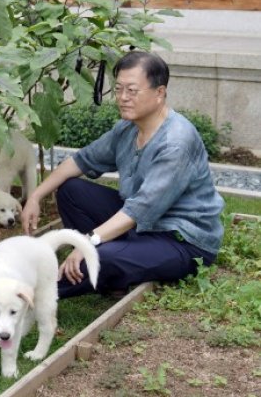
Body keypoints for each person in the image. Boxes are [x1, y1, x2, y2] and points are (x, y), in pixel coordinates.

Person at [20, 50, 224, 298]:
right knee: (71, 191)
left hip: (181, 241)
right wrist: (36, 196)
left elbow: (140, 209)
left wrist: (88, 242)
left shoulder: (175, 142)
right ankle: (115, 273)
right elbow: (81, 160)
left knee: (99, 256)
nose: (123, 98)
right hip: (142, 227)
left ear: (159, 93)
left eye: (132, 90)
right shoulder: (127, 128)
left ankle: (20, 295)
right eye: (118, 89)